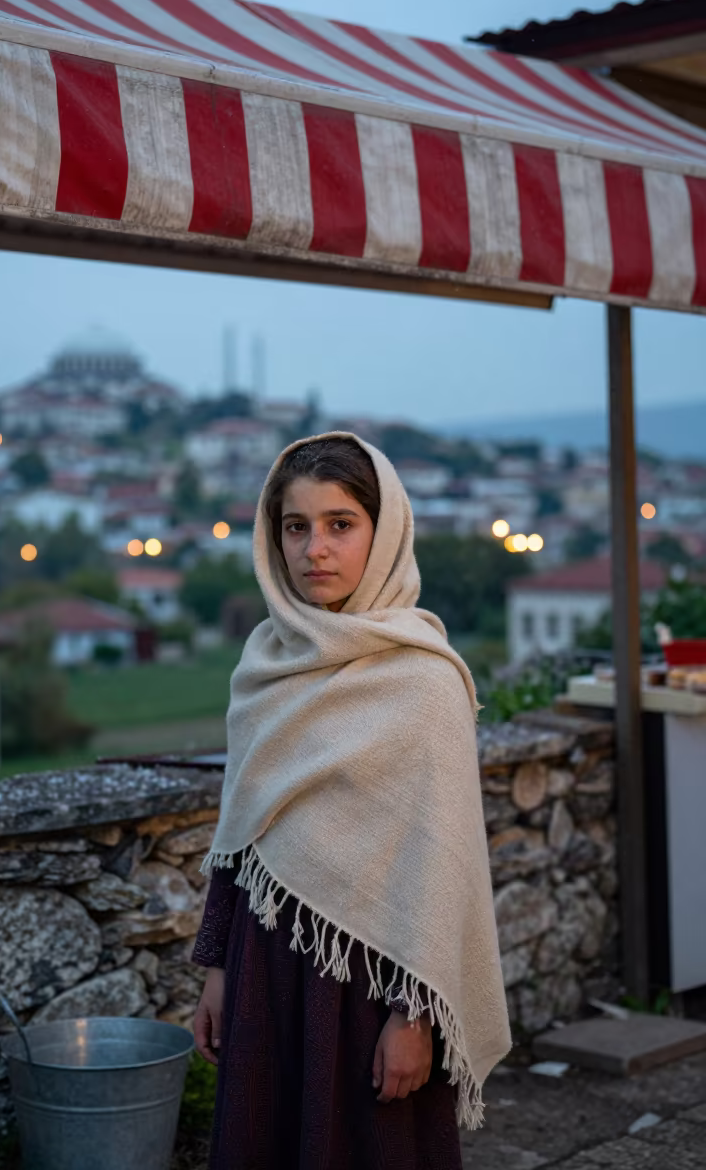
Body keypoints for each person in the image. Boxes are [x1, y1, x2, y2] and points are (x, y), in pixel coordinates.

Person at [192, 433, 510, 1170]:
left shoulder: (425, 682)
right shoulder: (265, 664)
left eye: (341, 524)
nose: (315, 550)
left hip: (370, 984)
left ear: (385, 530)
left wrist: (416, 1017)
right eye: (295, 526)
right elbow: (238, 833)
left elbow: (437, 872)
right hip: (265, 970)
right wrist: (217, 969)